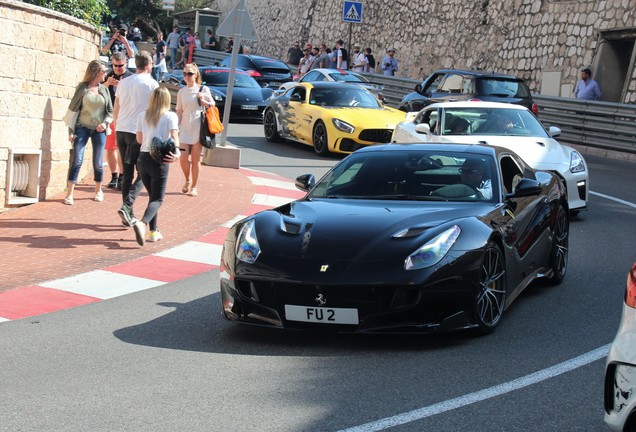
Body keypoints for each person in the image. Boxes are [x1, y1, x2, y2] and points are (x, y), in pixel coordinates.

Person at [113, 50, 159, 227]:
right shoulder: (152, 84)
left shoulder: (124, 82)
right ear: (149, 65)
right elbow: (155, 110)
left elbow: (117, 104)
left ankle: (127, 213)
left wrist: (116, 123)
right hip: (138, 131)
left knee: (127, 171)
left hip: (122, 129)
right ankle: (127, 205)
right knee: (144, 172)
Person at [132, 87, 180, 246]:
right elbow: (174, 135)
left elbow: (139, 139)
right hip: (159, 159)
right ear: (167, 100)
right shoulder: (170, 116)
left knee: (153, 197)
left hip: (143, 158)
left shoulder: (142, 115)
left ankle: (154, 232)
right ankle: (142, 223)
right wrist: (177, 152)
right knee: (158, 199)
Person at [63, 60, 113, 205]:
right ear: (96, 72)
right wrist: (71, 131)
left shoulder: (104, 89)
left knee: (97, 162)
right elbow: (72, 111)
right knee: (77, 159)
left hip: (99, 130)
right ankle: (69, 193)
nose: (106, 74)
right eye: (103, 71)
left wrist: (104, 124)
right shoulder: (82, 88)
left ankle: (98, 190)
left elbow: (110, 111)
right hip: (82, 128)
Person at [176, 63, 214, 197]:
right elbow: (179, 111)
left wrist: (202, 99)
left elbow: (212, 105)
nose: (187, 76)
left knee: (196, 159)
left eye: (190, 74)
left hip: (198, 126)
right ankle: (187, 179)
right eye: (185, 74)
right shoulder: (181, 91)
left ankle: (194, 187)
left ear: (196, 74)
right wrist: (175, 127)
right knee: (183, 158)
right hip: (185, 126)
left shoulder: (203, 89)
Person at [104, 52, 133, 190]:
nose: (117, 68)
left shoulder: (131, 78)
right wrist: (106, 83)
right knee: (110, 148)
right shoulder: (108, 75)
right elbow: (97, 91)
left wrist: (123, 86)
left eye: (120, 65)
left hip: (125, 116)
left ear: (126, 63)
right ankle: (114, 176)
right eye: (115, 65)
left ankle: (122, 176)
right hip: (109, 116)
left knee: (122, 149)